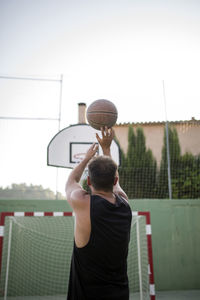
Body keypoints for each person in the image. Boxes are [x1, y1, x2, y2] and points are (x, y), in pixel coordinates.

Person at [66, 127, 132, 300]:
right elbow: (115, 185)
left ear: (88, 180)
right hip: (120, 295)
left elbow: (71, 181)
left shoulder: (83, 203)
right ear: (115, 180)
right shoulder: (125, 204)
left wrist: (87, 158)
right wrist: (107, 150)